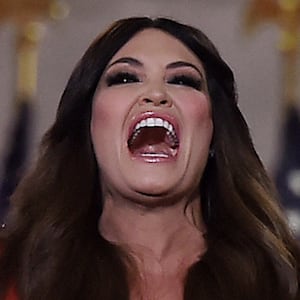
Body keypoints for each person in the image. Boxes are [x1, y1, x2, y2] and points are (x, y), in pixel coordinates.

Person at [0, 16, 299, 300]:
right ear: (88, 127)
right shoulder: (12, 273)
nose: (155, 93)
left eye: (182, 80)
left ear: (213, 133)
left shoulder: (285, 280)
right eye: (126, 77)